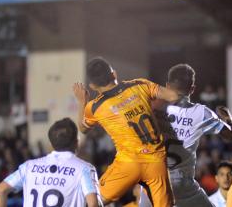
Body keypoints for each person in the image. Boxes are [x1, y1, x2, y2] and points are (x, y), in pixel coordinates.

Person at [73, 57, 178, 206]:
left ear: (92, 86)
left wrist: (82, 102)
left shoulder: (95, 106)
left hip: (128, 163)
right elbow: (173, 96)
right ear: (114, 74)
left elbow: (82, 129)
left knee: (89, 202)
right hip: (156, 162)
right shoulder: (140, 85)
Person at [139, 63, 232, 207]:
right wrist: (228, 118)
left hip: (152, 181)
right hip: (181, 184)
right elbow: (231, 135)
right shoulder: (201, 113)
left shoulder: (152, 107)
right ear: (192, 89)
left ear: (167, 85)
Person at [0, 118, 101, 207]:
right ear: (76, 142)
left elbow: (0, 191)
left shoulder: (28, 167)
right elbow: (93, 203)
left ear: (51, 143)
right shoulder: (84, 169)